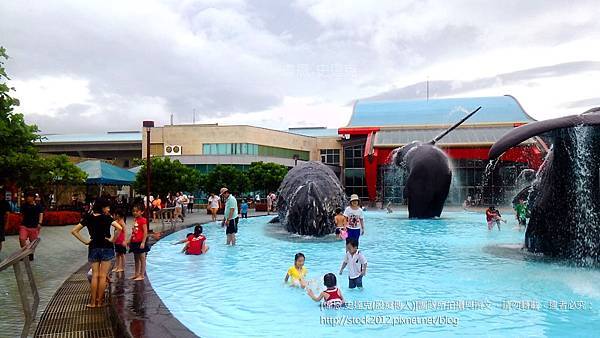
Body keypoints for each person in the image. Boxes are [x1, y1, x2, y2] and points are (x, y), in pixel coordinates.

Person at [71, 198, 123, 308]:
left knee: (95, 275)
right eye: (107, 207)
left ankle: (93, 302)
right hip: (106, 247)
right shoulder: (107, 217)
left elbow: (74, 231)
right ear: (102, 207)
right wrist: (113, 240)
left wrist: (85, 241)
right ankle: (100, 302)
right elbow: (119, 228)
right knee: (103, 276)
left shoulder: (88, 218)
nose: (108, 209)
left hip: (93, 246)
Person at [20, 193, 44, 260]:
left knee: (33, 242)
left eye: (29, 196)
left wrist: (40, 223)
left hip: (34, 226)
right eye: (27, 196)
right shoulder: (24, 205)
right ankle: (24, 254)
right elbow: (21, 215)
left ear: (33, 197)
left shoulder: (38, 206)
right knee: (22, 238)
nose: (28, 198)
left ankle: (31, 253)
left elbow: (41, 214)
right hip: (24, 225)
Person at [129, 205, 149, 281]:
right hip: (135, 241)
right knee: (136, 258)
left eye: (137, 211)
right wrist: (130, 239)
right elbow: (134, 231)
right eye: (133, 211)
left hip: (140, 241)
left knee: (142, 258)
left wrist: (143, 242)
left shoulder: (143, 220)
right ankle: (136, 273)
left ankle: (142, 274)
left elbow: (145, 232)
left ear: (142, 212)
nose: (135, 212)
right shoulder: (135, 220)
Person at [112, 209, 128, 273]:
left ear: (118, 215)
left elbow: (125, 231)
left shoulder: (121, 222)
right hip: (117, 240)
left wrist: (125, 240)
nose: (114, 216)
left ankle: (122, 267)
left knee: (122, 254)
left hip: (121, 240)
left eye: (115, 215)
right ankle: (117, 266)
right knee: (117, 254)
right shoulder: (116, 221)